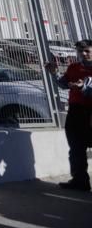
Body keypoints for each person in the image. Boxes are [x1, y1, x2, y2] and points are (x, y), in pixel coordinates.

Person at [46, 39, 92, 191]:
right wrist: (55, 73)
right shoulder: (73, 67)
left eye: (87, 51)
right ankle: (80, 180)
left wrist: (84, 86)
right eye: (80, 51)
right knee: (76, 147)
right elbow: (64, 83)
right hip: (76, 111)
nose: (83, 54)